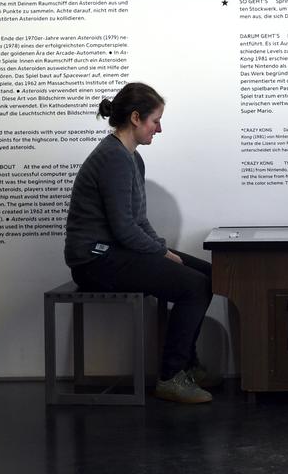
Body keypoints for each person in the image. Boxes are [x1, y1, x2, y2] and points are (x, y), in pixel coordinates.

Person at [65, 82, 215, 404]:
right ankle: (171, 376)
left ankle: (186, 364)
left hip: (116, 252)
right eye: (155, 121)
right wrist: (162, 253)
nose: (159, 129)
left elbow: (138, 221)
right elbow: (123, 229)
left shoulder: (133, 158)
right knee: (193, 287)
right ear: (135, 118)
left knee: (209, 275)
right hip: (94, 260)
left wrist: (164, 249)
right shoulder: (113, 158)